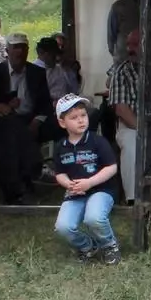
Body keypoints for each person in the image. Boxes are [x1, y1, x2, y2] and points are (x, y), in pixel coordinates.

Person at [52, 94, 122, 265]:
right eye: (74, 118)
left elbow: (112, 167)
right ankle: (87, 247)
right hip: (75, 192)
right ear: (62, 123)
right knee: (62, 227)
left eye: (83, 115)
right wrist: (67, 183)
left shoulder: (97, 141)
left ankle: (109, 245)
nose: (81, 120)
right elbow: (59, 172)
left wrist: (90, 182)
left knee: (94, 218)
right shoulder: (61, 146)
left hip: (101, 190)